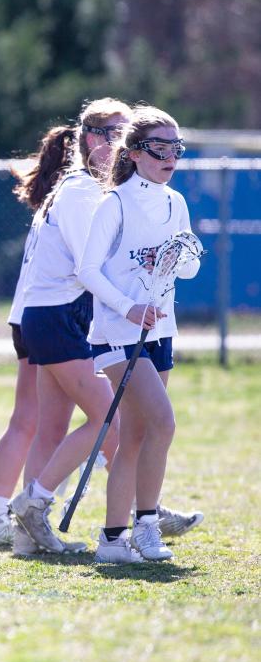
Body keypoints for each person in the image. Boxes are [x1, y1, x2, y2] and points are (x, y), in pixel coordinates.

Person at [7, 98, 131, 557]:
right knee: (111, 421)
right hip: (57, 316)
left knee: (52, 428)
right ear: (94, 139)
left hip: (54, 315)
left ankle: (26, 537)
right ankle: (34, 503)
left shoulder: (85, 187)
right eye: (119, 134)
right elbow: (89, 265)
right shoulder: (81, 191)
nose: (127, 145)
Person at [76, 107, 201, 563]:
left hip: (160, 328)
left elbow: (190, 265)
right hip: (116, 333)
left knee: (134, 436)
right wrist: (128, 306)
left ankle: (111, 540)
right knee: (163, 422)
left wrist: (176, 259)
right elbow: (87, 270)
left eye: (176, 148)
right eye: (160, 148)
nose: (171, 157)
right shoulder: (115, 203)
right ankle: (146, 524)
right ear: (133, 153)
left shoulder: (176, 202)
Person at [0, 125, 77, 547]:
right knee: (92, 416)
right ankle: (10, 512)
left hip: (27, 316)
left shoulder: (54, 201)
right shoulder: (75, 200)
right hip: (47, 316)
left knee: (29, 421)